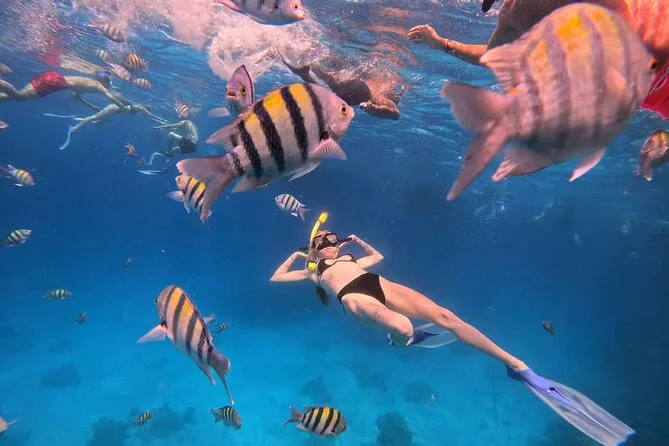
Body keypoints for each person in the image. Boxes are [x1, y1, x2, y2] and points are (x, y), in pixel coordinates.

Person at [270, 216, 634, 446]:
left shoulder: (349, 257)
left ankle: (515, 364)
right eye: (325, 241)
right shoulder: (313, 272)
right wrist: (300, 256)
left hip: (377, 282)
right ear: (315, 249)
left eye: (334, 238)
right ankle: (404, 339)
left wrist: (356, 241)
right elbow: (276, 277)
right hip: (353, 298)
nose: (331, 241)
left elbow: (377, 256)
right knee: (403, 325)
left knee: (446, 316)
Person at [278, 48, 406, 120]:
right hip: (358, 94)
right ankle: (305, 73)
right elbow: (395, 114)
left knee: (333, 82)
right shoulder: (382, 96)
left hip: (354, 89)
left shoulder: (381, 93)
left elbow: (394, 114)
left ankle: (310, 66)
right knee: (332, 91)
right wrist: (374, 109)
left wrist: (374, 109)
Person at [0, 70, 127, 107]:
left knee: (18, 95)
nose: (109, 85)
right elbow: (109, 95)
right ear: (104, 81)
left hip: (53, 76)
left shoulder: (89, 83)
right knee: (20, 96)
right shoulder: (98, 86)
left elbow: (76, 96)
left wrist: (91, 106)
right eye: (109, 83)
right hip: (57, 82)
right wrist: (120, 105)